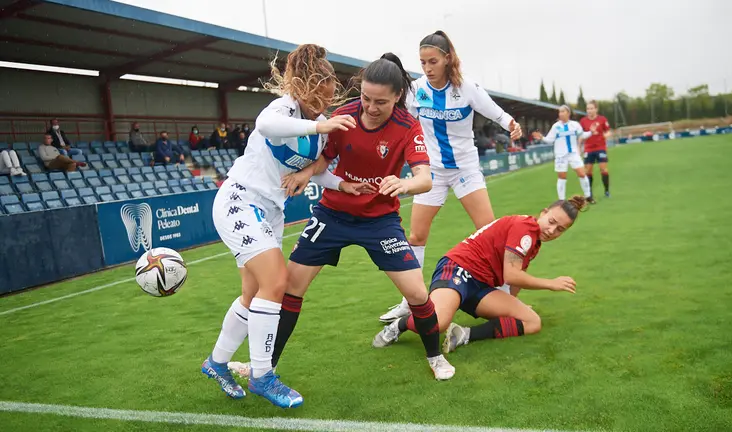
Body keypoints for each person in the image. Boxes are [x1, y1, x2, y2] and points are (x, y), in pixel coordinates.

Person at [270, 53, 457, 383]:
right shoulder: (344, 115)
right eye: (366, 98)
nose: (370, 107)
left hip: (379, 220)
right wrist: (306, 174)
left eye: (380, 102)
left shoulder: (406, 126)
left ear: (397, 96)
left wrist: (404, 183)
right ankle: (266, 366)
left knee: (416, 293)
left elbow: (425, 177)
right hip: (333, 213)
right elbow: (326, 158)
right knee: (291, 287)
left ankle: (435, 356)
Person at [202, 44, 371, 408]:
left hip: (270, 212)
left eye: (326, 102)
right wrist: (318, 121)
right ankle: (263, 376)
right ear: (303, 88)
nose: (322, 108)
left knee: (253, 294)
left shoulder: (318, 128)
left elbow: (316, 170)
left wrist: (343, 185)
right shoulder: (285, 109)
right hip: (240, 200)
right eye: (317, 100)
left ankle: (216, 363)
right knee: (277, 282)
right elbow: (265, 125)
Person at [379, 30, 523, 323]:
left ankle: (505, 293)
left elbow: (495, 112)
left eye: (433, 61)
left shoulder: (467, 88)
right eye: (422, 63)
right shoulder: (416, 90)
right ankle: (411, 301)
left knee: (488, 230)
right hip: (430, 173)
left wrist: (512, 124)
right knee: (417, 235)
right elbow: (398, 119)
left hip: (465, 170)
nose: (428, 68)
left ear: (447, 59)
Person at [373, 196, 586, 361]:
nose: (551, 230)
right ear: (544, 212)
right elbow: (513, 274)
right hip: (457, 269)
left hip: (480, 286)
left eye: (560, 229)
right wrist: (551, 284)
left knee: (532, 321)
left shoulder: (533, 239)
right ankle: (399, 325)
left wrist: (512, 304)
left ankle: (463, 335)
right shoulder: (525, 229)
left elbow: (513, 279)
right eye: (551, 222)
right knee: (437, 323)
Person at [533, 106, 598, 203]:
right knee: (562, 177)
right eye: (559, 112)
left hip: (573, 153)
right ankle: (561, 200)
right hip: (561, 155)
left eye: (563, 111)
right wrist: (542, 137)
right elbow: (550, 140)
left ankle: (588, 196)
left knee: (582, 173)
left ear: (568, 113)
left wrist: (591, 132)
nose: (560, 114)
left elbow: (582, 135)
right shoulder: (556, 126)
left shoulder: (575, 125)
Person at [579, 101, 612, 199]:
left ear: (596, 109)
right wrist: (579, 146)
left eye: (591, 108)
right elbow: (581, 135)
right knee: (588, 171)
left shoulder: (602, 119)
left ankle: (606, 191)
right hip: (588, 149)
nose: (589, 110)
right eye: (588, 109)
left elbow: (608, 131)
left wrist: (605, 135)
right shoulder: (583, 121)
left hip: (600, 148)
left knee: (603, 169)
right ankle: (589, 193)